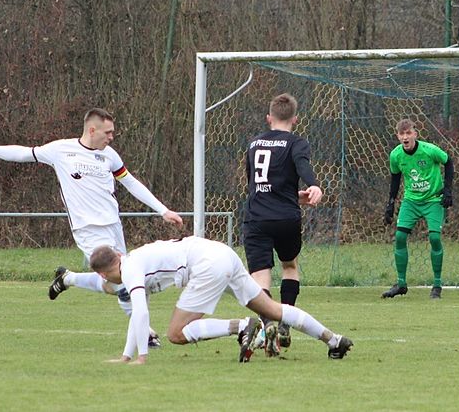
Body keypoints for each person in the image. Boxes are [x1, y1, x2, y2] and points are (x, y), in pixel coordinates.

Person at [0, 108, 182, 345]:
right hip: (87, 229)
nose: (111, 137)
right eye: (108, 133)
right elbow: (24, 153)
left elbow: (131, 183)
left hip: (113, 226)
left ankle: (68, 279)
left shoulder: (109, 155)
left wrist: (163, 210)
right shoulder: (60, 150)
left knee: (123, 278)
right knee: (121, 282)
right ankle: (145, 335)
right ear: (92, 130)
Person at [89, 237, 352, 364]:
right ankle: (334, 340)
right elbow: (137, 314)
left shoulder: (130, 269)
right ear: (118, 254)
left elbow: (140, 313)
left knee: (176, 334)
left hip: (206, 265)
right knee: (272, 309)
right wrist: (126, 356)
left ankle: (244, 326)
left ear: (102, 274)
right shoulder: (133, 259)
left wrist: (141, 358)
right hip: (222, 253)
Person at [241, 93, 322, 355]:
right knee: (289, 266)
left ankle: (267, 324)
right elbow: (301, 166)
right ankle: (285, 322)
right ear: (295, 119)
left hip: (257, 218)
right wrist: (313, 185)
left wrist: (291, 194)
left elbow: (256, 184)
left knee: (260, 275)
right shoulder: (297, 143)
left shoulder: (254, 144)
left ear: (269, 118)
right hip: (286, 218)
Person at [382, 118, 453, 299]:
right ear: (398, 136)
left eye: (408, 133)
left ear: (415, 133)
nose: (405, 137)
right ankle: (401, 284)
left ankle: (437, 285)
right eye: (402, 134)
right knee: (400, 237)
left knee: (435, 238)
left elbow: (448, 162)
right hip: (411, 201)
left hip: (433, 200)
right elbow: (395, 179)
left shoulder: (429, 150)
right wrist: (390, 204)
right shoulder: (396, 155)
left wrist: (447, 190)